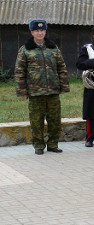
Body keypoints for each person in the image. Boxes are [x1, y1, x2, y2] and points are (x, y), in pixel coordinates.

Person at [15, 19, 70, 155]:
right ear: (32, 32)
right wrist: (22, 91)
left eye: (42, 30)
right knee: (36, 120)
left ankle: (52, 144)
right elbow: (19, 71)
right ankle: (38, 145)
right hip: (35, 92)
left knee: (55, 120)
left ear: (45, 31)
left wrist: (64, 86)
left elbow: (61, 67)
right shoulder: (26, 49)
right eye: (37, 31)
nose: (40, 33)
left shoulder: (53, 48)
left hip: (53, 90)